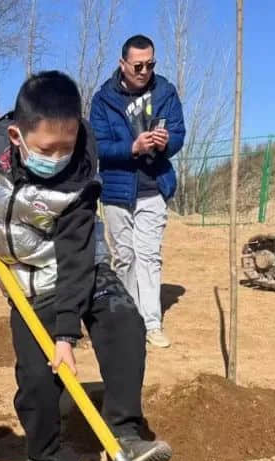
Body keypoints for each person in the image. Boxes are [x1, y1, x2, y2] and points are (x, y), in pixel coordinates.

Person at [0, 70, 172, 461]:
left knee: (125, 321)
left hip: (80, 265)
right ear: (17, 135)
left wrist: (67, 335)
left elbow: (75, 257)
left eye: (67, 146)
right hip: (26, 281)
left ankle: (125, 434)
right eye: (47, 149)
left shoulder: (80, 178)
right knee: (36, 379)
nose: (59, 156)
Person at [90, 34, 186, 350]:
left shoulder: (166, 92)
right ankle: (128, 321)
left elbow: (179, 133)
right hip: (117, 191)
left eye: (150, 64)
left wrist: (165, 142)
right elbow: (98, 146)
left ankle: (152, 323)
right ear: (123, 64)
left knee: (148, 255)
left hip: (153, 186)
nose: (145, 71)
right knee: (124, 256)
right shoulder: (103, 99)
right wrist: (132, 147)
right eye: (138, 65)